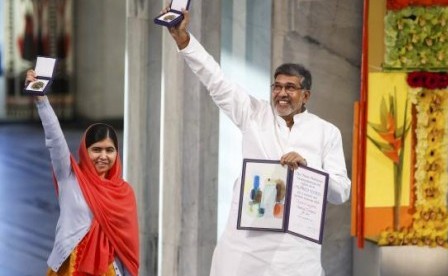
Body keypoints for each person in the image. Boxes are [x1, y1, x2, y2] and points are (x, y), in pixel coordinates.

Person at [163, 8, 351, 276]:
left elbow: (341, 192)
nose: (281, 93)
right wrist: (184, 39)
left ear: (306, 95)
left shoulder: (326, 132)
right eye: (277, 86)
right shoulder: (253, 113)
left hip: (296, 253)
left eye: (290, 88)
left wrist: (308, 168)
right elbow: (215, 79)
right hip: (246, 246)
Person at [25, 70, 139, 275]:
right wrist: (41, 100)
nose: (103, 156)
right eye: (96, 149)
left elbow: (126, 249)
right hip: (69, 267)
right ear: (85, 152)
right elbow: (55, 139)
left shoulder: (124, 193)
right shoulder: (69, 177)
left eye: (109, 150)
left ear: (116, 153)